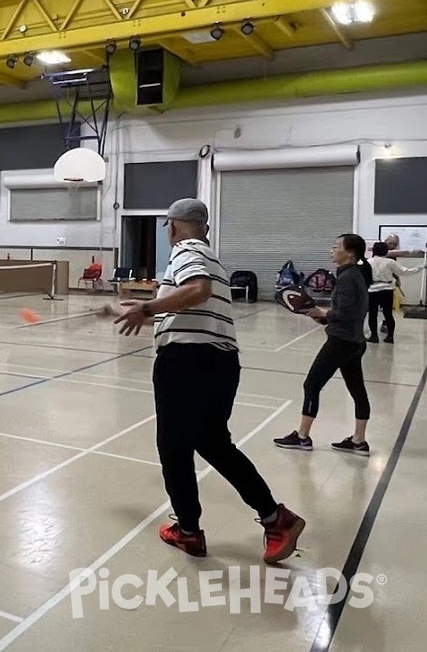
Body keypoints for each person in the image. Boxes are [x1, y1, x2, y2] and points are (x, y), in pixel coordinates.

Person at [115, 198, 303, 563]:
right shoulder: (212, 256)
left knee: (174, 449)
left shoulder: (186, 250)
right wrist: (141, 310)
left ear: (172, 226)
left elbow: (196, 289)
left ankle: (188, 532)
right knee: (214, 444)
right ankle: (276, 518)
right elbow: (191, 305)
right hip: (221, 361)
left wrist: (148, 307)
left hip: (186, 363)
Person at [274, 234, 372, 455]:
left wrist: (324, 312)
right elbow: (350, 312)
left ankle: (302, 437)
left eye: (336, 246)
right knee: (358, 391)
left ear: (349, 253)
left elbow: (344, 312)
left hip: (341, 342)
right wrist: (323, 316)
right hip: (355, 341)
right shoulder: (356, 274)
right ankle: (359, 441)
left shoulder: (348, 277)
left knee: (312, 385)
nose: (331, 250)